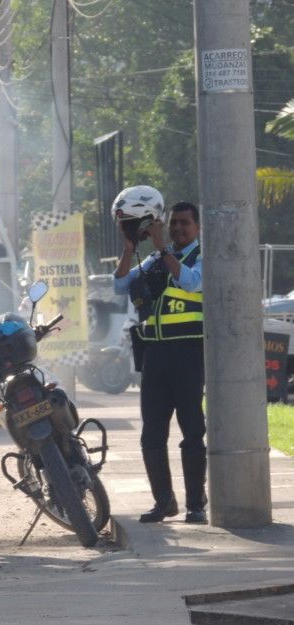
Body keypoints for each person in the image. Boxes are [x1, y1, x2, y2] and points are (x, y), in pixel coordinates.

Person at [112, 187, 207, 525]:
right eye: (174, 224)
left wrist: (163, 247)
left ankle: (196, 503)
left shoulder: (200, 257)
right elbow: (121, 286)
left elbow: (192, 284)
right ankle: (163, 502)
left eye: (184, 224)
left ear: (197, 228)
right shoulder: (153, 259)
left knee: (192, 431)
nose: (179, 229)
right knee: (152, 434)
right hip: (155, 356)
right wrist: (128, 249)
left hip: (188, 355)